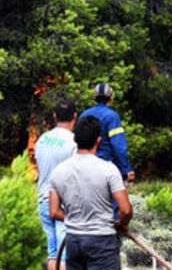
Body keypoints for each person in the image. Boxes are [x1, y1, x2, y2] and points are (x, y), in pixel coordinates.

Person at [49, 116, 133, 270]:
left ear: (74, 139)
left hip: (73, 242)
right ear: (99, 140)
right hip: (102, 243)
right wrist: (121, 225)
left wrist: (76, 220)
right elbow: (126, 210)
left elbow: (54, 212)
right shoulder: (109, 170)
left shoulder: (58, 171)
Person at [35, 101, 78, 270]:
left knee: (53, 254)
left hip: (44, 200)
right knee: (65, 256)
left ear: (54, 116)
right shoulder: (74, 142)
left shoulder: (42, 140)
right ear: (75, 116)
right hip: (62, 204)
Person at [79, 83, 134, 183]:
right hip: (107, 167)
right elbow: (119, 146)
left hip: (84, 167)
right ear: (110, 97)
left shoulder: (84, 115)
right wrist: (127, 169)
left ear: (94, 97)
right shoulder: (112, 117)